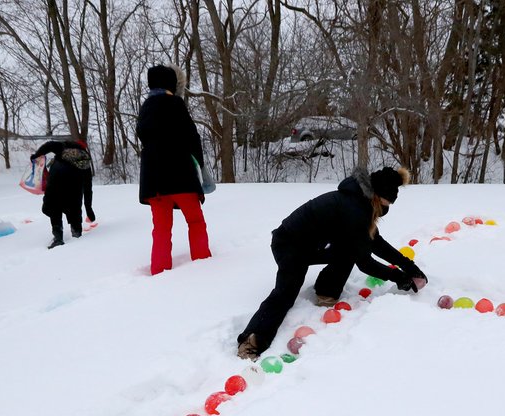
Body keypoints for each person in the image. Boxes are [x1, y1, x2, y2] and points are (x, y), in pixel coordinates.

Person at [236, 165, 427, 360]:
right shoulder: (354, 209)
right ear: (377, 195)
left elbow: (375, 243)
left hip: (311, 245)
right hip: (289, 245)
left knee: (348, 251)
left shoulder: (360, 201)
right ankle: (252, 341)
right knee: (286, 293)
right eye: (387, 202)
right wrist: (398, 276)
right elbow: (365, 262)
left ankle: (326, 292)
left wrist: (411, 268)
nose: (387, 208)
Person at [137, 64, 211, 275]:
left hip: (154, 182)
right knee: (195, 221)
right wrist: (200, 164)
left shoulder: (145, 108)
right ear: (171, 83)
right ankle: (204, 264)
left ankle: (159, 271)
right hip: (181, 177)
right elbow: (192, 136)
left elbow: (144, 137)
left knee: (161, 229)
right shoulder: (175, 104)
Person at [29, 138, 95, 249]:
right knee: (74, 209)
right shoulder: (85, 161)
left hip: (56, 180)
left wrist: (37, 155)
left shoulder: (63, 146)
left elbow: (49, 145)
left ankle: (58, 237)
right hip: (74, 187)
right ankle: (77, 234)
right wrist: (89, 209)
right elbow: (88, 188)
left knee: (54, 207)